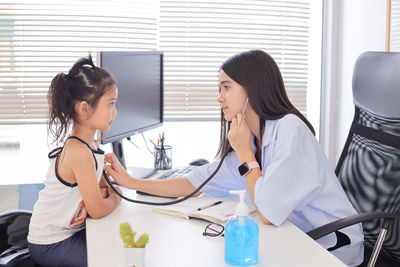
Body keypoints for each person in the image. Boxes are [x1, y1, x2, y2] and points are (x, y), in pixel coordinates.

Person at [104, 50, 364, 266]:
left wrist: (245, 155)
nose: (219, 97)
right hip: (295, 236)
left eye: (226, 87)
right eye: (220, 88)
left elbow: (268, 213)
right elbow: (193, 183)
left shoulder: (289, 129)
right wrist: (132, 183)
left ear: (252, 89)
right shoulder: (251, 136)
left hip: (331, 246)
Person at [28, 55, 122, 267]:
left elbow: (103, 191)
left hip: (69, 233)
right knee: (111, 260)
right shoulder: (79, 151)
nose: (115, 112)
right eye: (111, 104)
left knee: (119, 246)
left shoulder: (92, 145)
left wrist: (100, 200)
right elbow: (102, 204)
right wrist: (118, 197)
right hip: (51, 242)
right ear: (84, 108)